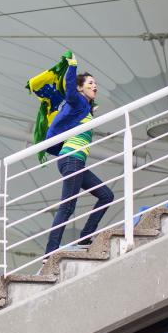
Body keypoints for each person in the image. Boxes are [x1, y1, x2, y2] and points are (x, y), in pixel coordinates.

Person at [44, 53, 114, 255]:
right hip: (72, 159)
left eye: (95, 84)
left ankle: (85, 238)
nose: (95, 86)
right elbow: (69, 91)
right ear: (80, 87)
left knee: (106, 195)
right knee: (67, 207)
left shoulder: (84, 108)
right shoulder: (77, 102)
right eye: (91, 83)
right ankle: (49, 253)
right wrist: (72, 66)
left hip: (76, 162)